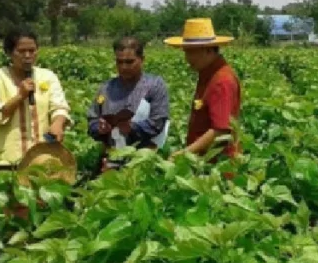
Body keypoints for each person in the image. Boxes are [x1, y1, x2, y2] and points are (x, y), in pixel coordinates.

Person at [0, 28, 73, 169]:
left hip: (43, 160)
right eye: (21, 51)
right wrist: (19, 96)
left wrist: (58, 123)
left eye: (32, 50)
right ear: (9, 53)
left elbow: (59, 106)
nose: (28, 55)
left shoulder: (47, 76)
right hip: (8, 162)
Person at [165, 18, 242, 171]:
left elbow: (220, 130)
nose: (187, 59)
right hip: (205, 164)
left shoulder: (221, 80)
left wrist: (185, 153)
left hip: (218, 167)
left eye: (191, 52)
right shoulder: (208, 74)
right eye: (186, 52)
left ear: (208, 50)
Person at [86, 36, 170, 172]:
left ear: (142, 60)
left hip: (144, 159)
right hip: (111, 159)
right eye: (119, 62)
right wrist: (99, 127)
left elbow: (158, 122)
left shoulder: (154, 85)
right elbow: (92, 121)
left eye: (129, 62)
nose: (124, 67)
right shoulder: (106, 88)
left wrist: (131, 128)